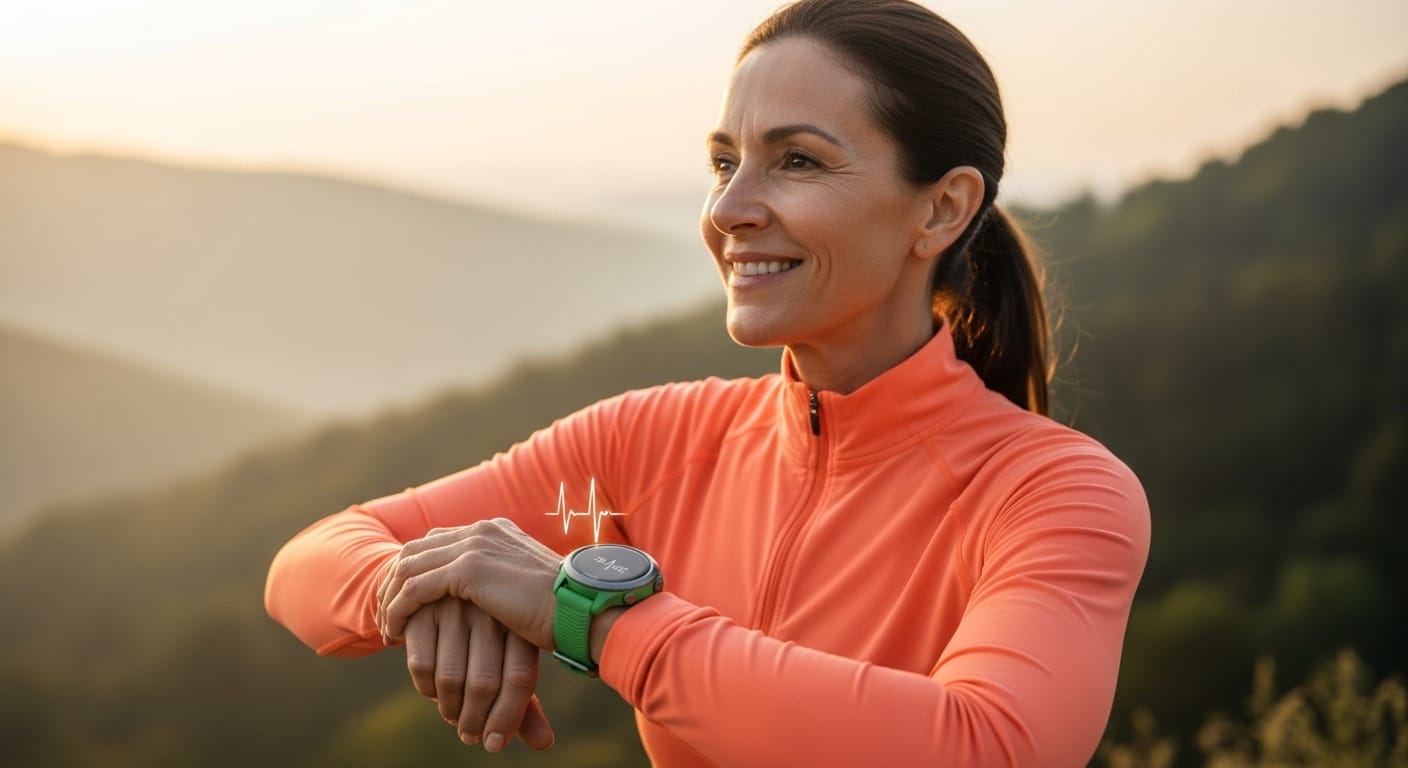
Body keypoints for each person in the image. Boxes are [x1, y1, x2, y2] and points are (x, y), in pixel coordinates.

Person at [265, 0, 1151, 765]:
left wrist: (591, 620)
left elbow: (988, 746)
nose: (729, 211)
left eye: (797, 160)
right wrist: (421, 587)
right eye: (725, 162)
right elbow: (313, 563)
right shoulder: (646, 448)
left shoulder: (1053, 494)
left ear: (942, 208)